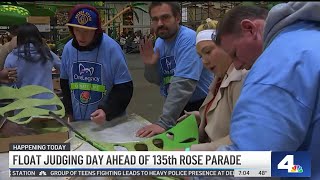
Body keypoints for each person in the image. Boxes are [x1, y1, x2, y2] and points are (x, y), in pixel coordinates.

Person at [216, 3, 320, 179]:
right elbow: (301, 163)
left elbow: (250, 164)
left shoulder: (278, 64)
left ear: (250, 29)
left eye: (234, 53)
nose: (237, 65)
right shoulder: (311, 38)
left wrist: (179, 165)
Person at [137, 2, 213, 137]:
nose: (159, 23)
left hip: (201, 106)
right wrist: (150, 65)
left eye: (165, 17)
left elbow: (184, 84)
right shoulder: (161, 41)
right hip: (178, 106)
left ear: (177, 18)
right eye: (155, 19)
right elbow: (156, 80)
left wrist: (164, 122)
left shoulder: (188, 39)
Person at [176, 18, 248, 151]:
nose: (204, 61)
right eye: (200, 56)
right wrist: (201, 117)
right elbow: (226, 116)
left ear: (227, 46)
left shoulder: (240, 79)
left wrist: (192, 152)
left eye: (208, 52)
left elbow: (242, 137)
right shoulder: (219, 79)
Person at [60, 4, 133, 124]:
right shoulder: (68, 48)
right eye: (77, 30)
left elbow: (124, 88)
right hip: (78, 121)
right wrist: (69, 112)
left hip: (109, 122)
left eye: (87, 31)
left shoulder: (111, 48)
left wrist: (106, 111)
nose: (81, 36)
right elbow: (65, 83)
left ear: (96, 31)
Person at [3, 23, 61, 110]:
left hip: (23, 108)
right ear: (38, 37)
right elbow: (62, 67)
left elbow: (7, 83)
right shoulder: (47, 53)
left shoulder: (13, 56)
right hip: (48, 105)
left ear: (19, 38)